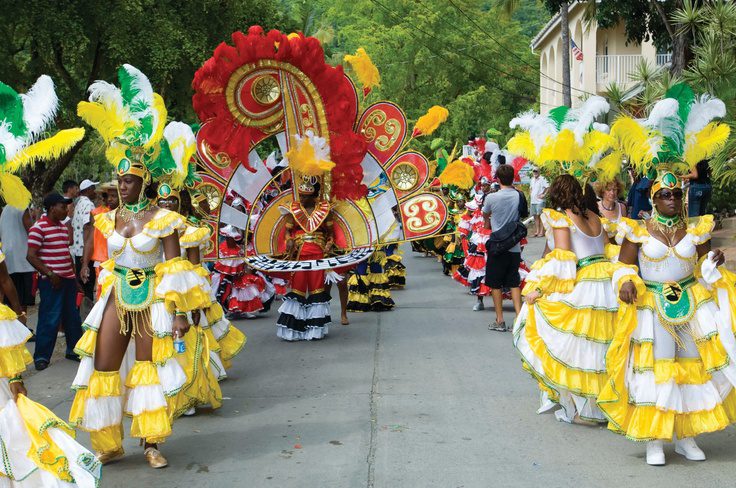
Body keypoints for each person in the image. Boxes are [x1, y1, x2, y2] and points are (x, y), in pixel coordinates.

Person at [69, 64, 210, 468]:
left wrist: (179, 313)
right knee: (103, 366)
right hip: (118, 295)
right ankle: (109, 443)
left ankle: (150, 443)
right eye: (119, 180)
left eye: (129, 180)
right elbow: (108, 262)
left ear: (143, 181)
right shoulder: (108, 218)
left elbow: (174, 267)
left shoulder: (163, 219)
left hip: (153, 297)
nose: (122, 185)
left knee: (149, 370)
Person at [598, 85, 736, 466]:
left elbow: (704, 269)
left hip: (690, 303)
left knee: (691, 366)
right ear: (654, 198)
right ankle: (656, 440)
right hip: (653, 305)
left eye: (676, 195)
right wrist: (626, 282)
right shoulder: (638, 231)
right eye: (665, 195)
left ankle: (687, 436)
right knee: (659, 370)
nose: (672, 200)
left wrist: (714, 262)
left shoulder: (697, 229)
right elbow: (623, 265)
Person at [513, 175, 618, 423]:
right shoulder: (595, 217)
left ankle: (582, 410)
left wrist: (540, 290)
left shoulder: (561, 218)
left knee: (578, 346)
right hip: (607, 281)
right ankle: (604, 406)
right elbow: (609, 250)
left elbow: (564, 258)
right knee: (603, 343)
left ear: (557, 193)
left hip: (586, 284)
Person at [26, 192, 83, 371]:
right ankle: (42, 356)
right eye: (63, 207)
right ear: (52, 208)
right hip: (52, 281)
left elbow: (66, 254)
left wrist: (74, 278)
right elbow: (31, 256)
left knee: (72, 317)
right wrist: (50, 274)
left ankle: (73, 350)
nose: (66, 210)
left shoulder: (62, 227)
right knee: (49, 317)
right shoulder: (38, 228)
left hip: (67, 279)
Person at [278, 180, 335, 340]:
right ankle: (294, 330)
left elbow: (331, 233)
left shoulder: (325, 210)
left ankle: (315, 330)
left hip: (318, 254)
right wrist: (289, 240)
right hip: (299, 254)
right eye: (301, 195)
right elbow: (287, 233)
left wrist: (329, 244)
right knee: (298, 289)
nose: (301, 199)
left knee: (317, 290)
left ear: (313, 196)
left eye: (305, 196)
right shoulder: (293, 210)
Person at [482, 164, 523, 331]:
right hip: (514, 246)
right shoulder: (519, 195)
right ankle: (519, 319)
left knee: (495, 284)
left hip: (497, 246)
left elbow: (485, 216)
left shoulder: (491, 198)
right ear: (512, 178)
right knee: (514, 282)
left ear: (498, 179)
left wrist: (488, 222)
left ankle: (500, 320)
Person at [81, 184, 119, 292]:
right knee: (104, 294)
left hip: (124, 265)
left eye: (113, 196)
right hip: (103, 263)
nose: (109, 199)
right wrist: (85, 264)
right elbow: (91, 240)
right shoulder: (98, 214)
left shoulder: (130, 214)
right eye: (107, 196)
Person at [0, 204, 36, 318]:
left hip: (7, 259)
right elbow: (32, 232)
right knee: (22, 301)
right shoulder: (22, 207)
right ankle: (21, 323)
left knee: (11, 299)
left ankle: (15, 322)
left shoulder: (4, 210)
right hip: (23, 260)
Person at [72, 179, 98, 300]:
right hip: (86, 252)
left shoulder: (78, 204)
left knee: (82, 287)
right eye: (93, 188)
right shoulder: (88, 204)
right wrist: (86, 255)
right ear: (88, 190)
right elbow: (87, 226)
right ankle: (87, 310)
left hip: (78, 251)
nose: (95, 191)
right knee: (87, 285)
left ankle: (82, 309)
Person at [529, 167, 548, 237]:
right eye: (534, 171)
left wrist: (544, 194)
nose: (535, 172)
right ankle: (537, 231)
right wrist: (531, 193)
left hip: (540, 201)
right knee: (535, 216)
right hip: (533, 201)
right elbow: (530, 188)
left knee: (541, 216)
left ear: (539, 172)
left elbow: (548, 187)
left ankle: (541, 232)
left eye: (536, 171)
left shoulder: (543, 179)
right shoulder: (532, 179)